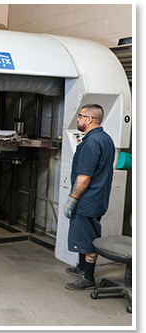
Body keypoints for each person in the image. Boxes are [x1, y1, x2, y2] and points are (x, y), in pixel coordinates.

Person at [63, 104, 115, 291]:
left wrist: (73, 198)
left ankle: (88, 277)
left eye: (80, 116)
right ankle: (82, 267)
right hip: (98, 197)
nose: (77, 119)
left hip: (87, 199)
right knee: (85, 235)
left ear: (89, 119)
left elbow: (84, 177)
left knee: (89, 238)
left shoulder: (91, 143)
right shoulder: (105, 138)